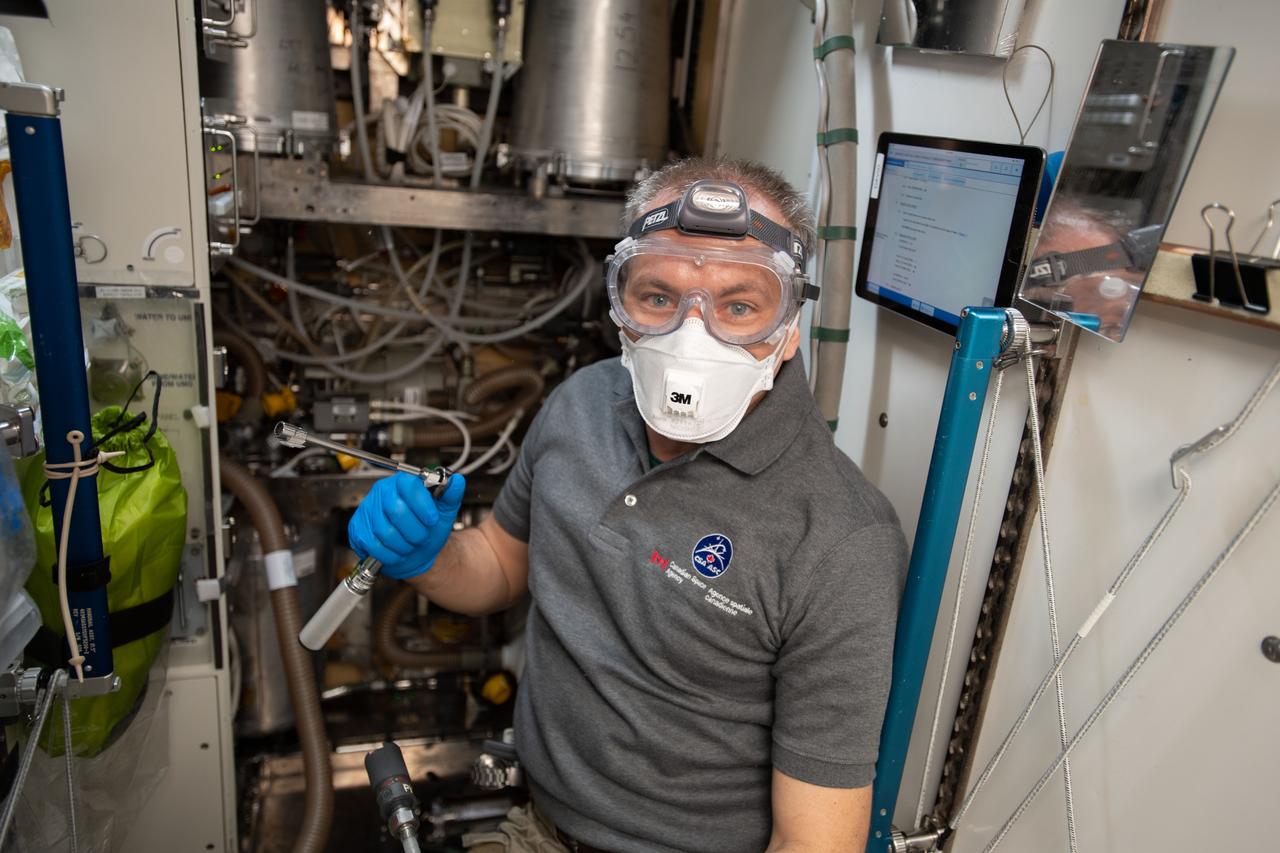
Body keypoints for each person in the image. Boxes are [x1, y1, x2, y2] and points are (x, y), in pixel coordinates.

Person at [348, 157, 909, 853]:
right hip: (535, 823)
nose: (689, 337)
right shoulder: (581, 403)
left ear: (790, 325)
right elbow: (499, 562)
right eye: (657, 296)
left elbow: (816, 842)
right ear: (621, 304)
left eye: (738, 306)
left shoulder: (839, 539)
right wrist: (430, 555)